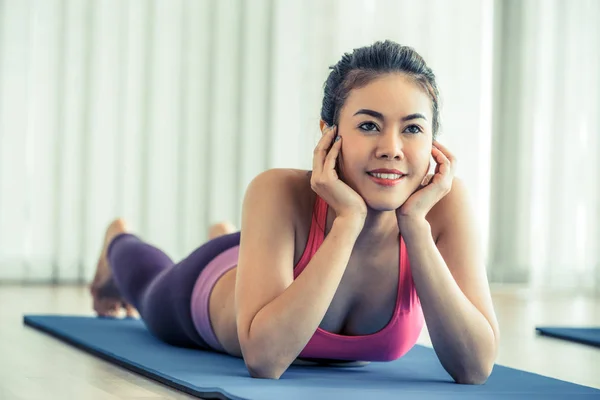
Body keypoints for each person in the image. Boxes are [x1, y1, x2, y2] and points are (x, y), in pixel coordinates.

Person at [90, 40, 500, 384]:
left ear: (433, 142)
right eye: (369, 126)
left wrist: (414, 226)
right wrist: (347, 223)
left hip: (276, 253)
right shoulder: (277, 189)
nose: (392, 147)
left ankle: (226, 233)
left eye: (412, 128)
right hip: (213, 285)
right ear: (328, 134)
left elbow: (475, 367)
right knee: (146, 286)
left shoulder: (443, 207)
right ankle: (118, 240)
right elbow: (266, 361)